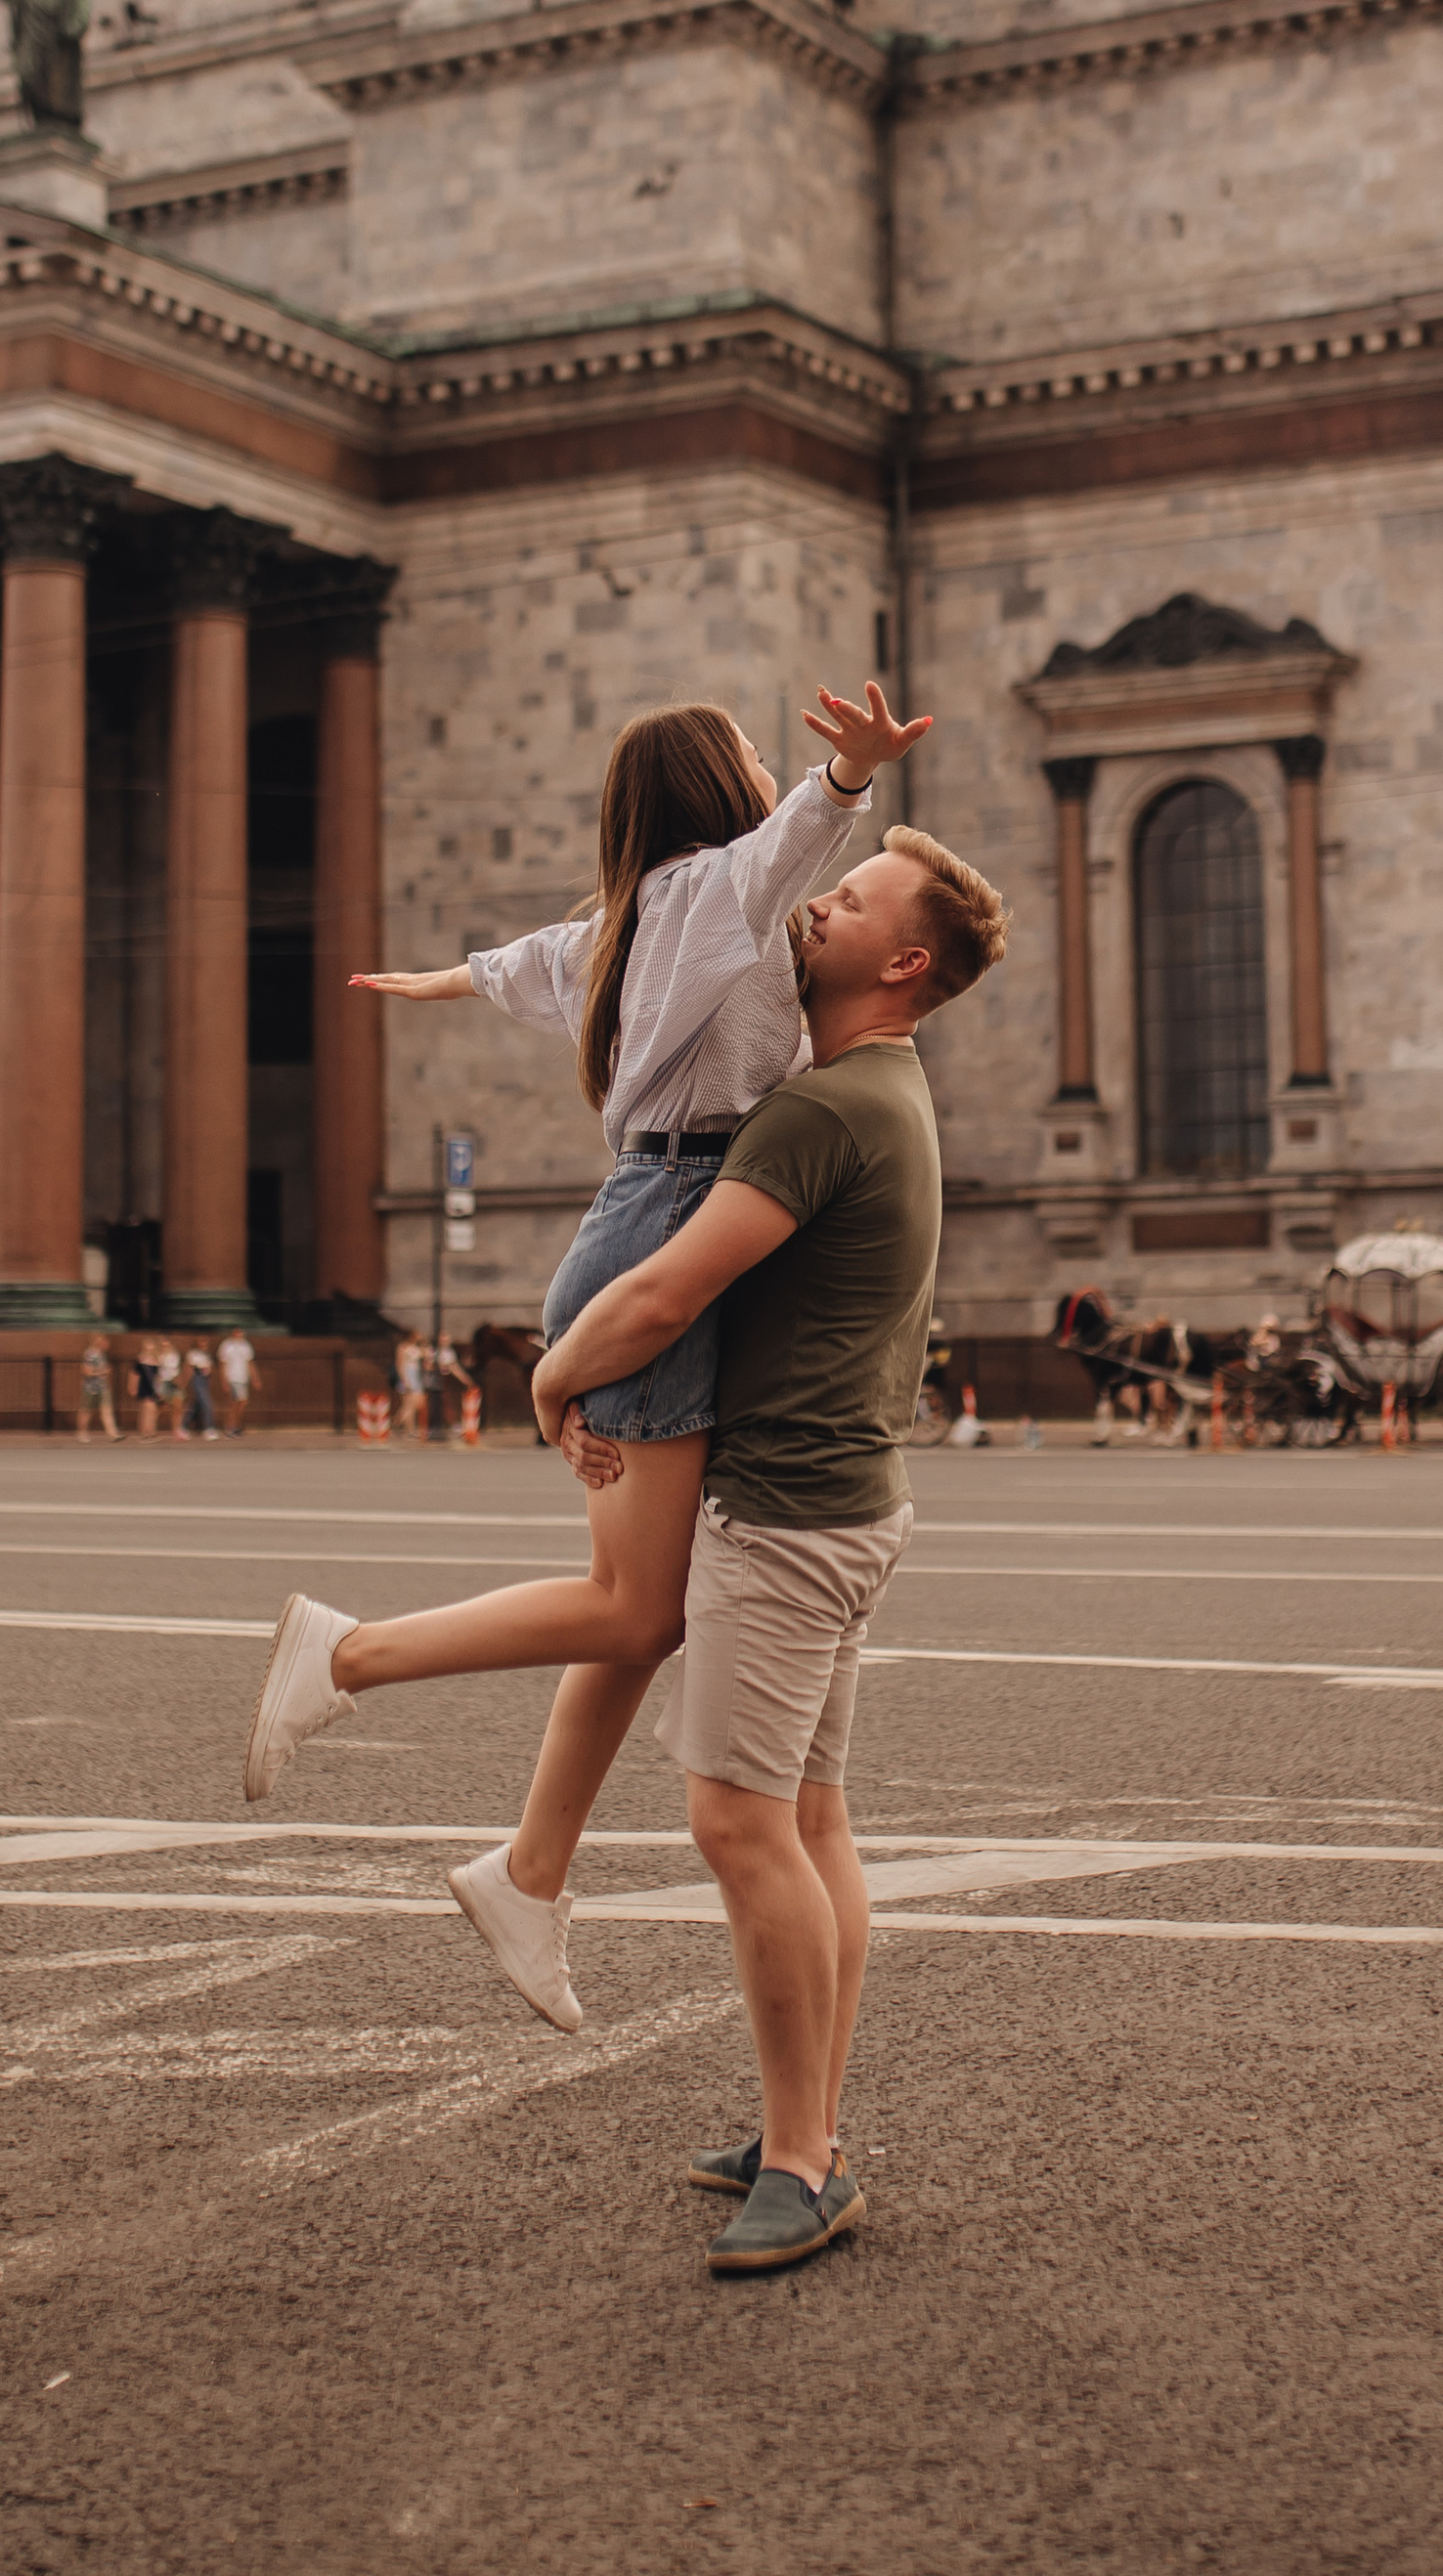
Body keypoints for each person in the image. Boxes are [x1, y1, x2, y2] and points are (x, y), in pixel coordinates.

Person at [242, 680, 929, 2030]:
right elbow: (794, 842)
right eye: (744, 759)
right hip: (673, 1221)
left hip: (648, 1208)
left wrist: (427, 979)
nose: (761, 775)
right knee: (636, 1607)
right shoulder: (715, 898)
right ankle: (348, 1657)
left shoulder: (618, 927)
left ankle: (530, 1873)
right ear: (714, 793)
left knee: (648, 1595)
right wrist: (846, 780)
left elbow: (512, 965)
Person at [529, 822, 1010, 2272]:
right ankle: (804, 2126)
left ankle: (803, 2159)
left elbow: (667, 1290)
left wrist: (553, 1373)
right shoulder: (885, 1090)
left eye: (850, 900)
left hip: (787, 1519)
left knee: (739, 1828)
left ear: (904, 961)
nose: (819, 903)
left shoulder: (814, 1113)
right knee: (809, 1826)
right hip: (852, 1505)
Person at [77, 1332, 118, 1444]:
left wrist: (105, 1372)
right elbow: (87, 1371)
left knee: (107, 1410)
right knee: (86, 1411)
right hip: (90, 1388)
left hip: (102, 1387)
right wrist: (102, 1371)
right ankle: (82, 1432)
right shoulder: (89, 1354)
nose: (106, 1343)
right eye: (103, 1341)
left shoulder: (102, 1354)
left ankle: (112, 1433)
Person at [219, 1327, 256, 1437]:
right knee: (235, 1402)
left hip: (243, 1378)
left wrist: (255, 1378)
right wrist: (224, 1380)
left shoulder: (246, 1345)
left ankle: (235, 1425)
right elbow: (222, 1365)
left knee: (243, 1403)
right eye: (238, 1332)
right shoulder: (226, 1346)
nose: (240, 1334)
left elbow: (250, 1363)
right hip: (232, 1378)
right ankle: (230, 1426)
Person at [182, 1339, 218, 1442]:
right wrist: (185, 1383)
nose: (204, 1345)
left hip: (205, 1378)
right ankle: (209, 1428)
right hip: (197, 1378)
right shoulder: (193, 1354)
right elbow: (188, 1369)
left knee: (196, 1405)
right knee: (207, 1403)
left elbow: (211, 1368)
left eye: (206, 1343)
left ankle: (184, 1427)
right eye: (202, 1342)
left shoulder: (207, 1355)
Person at [130, 1338, 163, 1441]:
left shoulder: (156, 1361)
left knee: (148, 1410)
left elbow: (158, 1377)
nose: (150, 1347)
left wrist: (159, 1390)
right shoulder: (140, 1360)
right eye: (148, 1345)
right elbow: (134, 1374)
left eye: (151, 1345)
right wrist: (132, 1386)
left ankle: (147, 1432)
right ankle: (147, 1433)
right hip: (143, 1386)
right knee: (149, 1409)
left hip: (152, 1387)